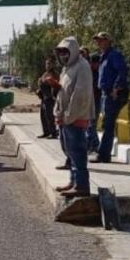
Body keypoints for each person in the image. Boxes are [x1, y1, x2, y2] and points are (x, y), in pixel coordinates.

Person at [53, 37, 95, 197]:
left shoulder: (82, 66)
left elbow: (80, 95)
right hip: (65, 118)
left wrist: (69, 116)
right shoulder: (67, 68)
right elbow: (63, 91)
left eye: (65, 52)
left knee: (77, 152)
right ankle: (73, 181)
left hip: (76, 117)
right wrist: (59, 112)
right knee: (69, 152)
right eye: (60, 52)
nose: (63, 55)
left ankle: (82, 185)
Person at [93, 32, 129, 162]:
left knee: (108, 125)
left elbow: (122, 71)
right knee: (106, 124)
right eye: (97, 41)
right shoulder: (104, 56)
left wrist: (116, 88)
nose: (99, 43)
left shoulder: (114, 55)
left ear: (108, 41)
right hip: (105, 93)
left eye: (101, 40)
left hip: (111, 94)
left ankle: (103, 155)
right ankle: (103, 153)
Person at [37, 58, 60, 139]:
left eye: (49, 64)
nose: (47, 65)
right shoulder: (45, 73)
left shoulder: (54, 74)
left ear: (53, 65)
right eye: (46, 64)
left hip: (50, 98)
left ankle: (53, 133)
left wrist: (46, 81)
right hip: (44, 97)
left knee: (50, 116)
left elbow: (55, 84)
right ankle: (46, 132)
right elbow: (41, 82)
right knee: (43, 116)